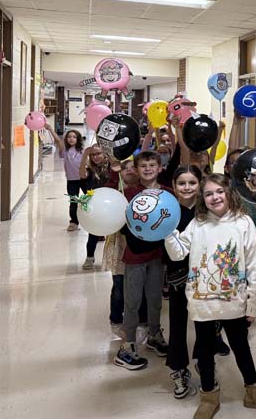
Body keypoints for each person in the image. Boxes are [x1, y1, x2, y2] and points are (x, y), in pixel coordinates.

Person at [164, 173, 256, 418]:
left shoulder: (243, 222)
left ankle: (254, 391)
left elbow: (253, 266)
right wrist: (167, 232)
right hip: (202, 303)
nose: (215, 197)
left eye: (219, 191)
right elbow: (177, 253)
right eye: (208, 193)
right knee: (205, 349)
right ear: (202, 198)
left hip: (234, 301)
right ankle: (208, 396)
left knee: (241, 346)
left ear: (229, 193)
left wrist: (254, 303)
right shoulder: (197, 223)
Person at [114, 150, 171, 371]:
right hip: (135, 256)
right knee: (133, 301)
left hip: (157, 256)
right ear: (136, 170)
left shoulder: (167, 194)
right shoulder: (128, 194)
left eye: (152, 165)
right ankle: (128, 344)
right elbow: (120, 223)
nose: (148, 169)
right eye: (143, 166)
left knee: (155, 298)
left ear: (160, 168)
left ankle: (154, 334)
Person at [165, 165, 204, 399]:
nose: (187, 187)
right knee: (178, 323)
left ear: (200, 184)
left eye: (192, 183)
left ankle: (204, 361)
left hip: (205, 275)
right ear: (174, 185)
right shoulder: (168, 210)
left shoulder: (207, 209)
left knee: (206, 322)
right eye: (182, 183)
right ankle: (178, 369)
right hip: (178, 275)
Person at [102, 158, 148, 340]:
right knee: (119, 286)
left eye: (132, 167)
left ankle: (142, 321)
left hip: (140, 244)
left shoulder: (144, 190)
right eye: (124, 168)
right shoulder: (116, 190)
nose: (129, 170)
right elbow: (107, 196)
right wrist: (114, 174)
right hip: (119, 245)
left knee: (141, 286)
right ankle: (116, 320)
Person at [45, 124, 85, 231]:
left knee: (91, 199)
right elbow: (58, 141)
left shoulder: (82, 151)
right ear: (66, 139)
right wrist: (51, 129)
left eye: (74, 137)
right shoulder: (65, 151)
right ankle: (74, 222)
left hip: (84, 179)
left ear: (78, 139)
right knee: (73, 202)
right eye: (69, 137)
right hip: (72, 180)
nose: (71, 139)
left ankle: (94, 219)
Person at [78, 145, 110, 269]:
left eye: (98, 154)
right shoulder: (90, 170)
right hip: (95, 205)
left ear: (104, 154)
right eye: (92, 155)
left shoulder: (110, 168)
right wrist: (84, 155)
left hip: (110, 204)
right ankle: (89, 258)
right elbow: (82, 175)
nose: (95, 157)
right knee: (93, 234)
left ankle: (111, 259)